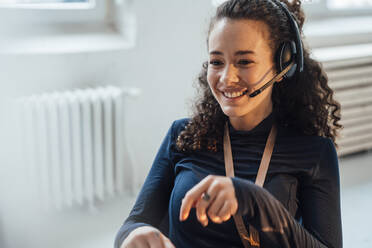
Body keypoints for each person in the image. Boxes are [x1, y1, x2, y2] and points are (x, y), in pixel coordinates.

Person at [114, 0, 343, 247]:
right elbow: (134, 222)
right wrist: (135, 234)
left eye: (244, 62)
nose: (226, 78)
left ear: (282, 65)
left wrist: (255, 201)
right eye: (216, 62)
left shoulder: (315, 152)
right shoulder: (181, 136)